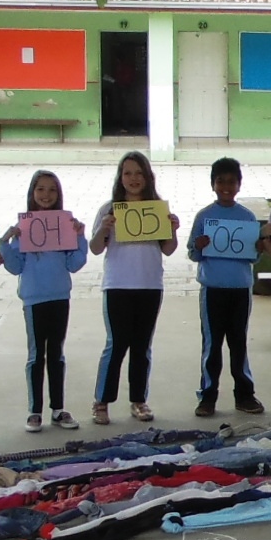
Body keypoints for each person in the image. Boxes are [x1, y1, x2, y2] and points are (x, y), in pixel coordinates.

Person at [0, 169, 88, 433]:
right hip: (34, 299)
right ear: (32, 193)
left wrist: (80, 237)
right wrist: (6, 242)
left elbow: (75, 264)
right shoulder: (24, 229)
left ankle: (58, 409)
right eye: (41, 189)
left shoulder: (65, 225)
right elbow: (14, 267)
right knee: (37, 355)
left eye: (52, 190)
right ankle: (34, 411)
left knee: (57, 353)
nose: (46, 195)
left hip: (60, 296)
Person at [88, 152, 175, 425]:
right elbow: (95, 247)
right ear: (120, 177)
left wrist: (172, 229)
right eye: (128, 173)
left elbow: (169, 249)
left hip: (149, 285)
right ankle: (101, 401)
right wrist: (104, 228)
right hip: (118, 285)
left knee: (141, 346)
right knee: (116, 344)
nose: (133, 179)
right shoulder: (109, 209)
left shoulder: (157, 208)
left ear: (148, 177)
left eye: (139, 173)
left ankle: (138, 400)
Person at [186, 155, 263, 418]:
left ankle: (245, 395)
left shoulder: (247, 217)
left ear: (239, 185)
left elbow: (253, 256)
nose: (226, 187)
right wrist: (199, 245)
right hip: (212, 290)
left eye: (232, 182)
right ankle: (207, 397)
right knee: (212, 345)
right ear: (213, 184)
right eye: (221, 181)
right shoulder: (204, 216)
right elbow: (192, 253)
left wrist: (260, 247)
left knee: (239, 343)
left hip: (240, 290)